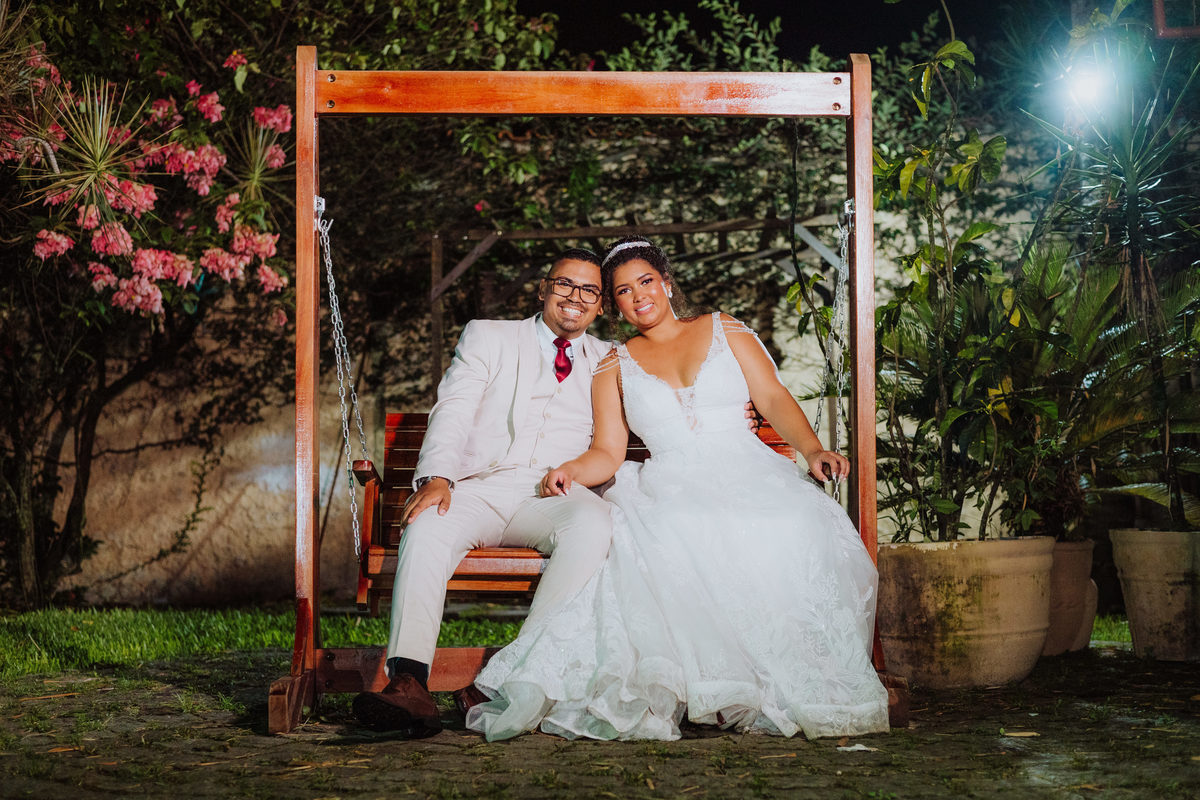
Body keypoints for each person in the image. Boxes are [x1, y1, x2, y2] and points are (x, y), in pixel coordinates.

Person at [465, 236, 890, 741]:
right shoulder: (612, 365)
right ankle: (706, 683)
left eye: (645, 281)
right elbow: (608, 451)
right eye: (622, 291)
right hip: (669, 481)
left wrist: (813, 449)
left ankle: (772, 678)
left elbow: (772, 396)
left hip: (747, 470)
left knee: (787, 521)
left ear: (666, 284)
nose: (637, 295)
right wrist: (573, 470)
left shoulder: (723, 329)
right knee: (674, 527)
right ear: (613, 305)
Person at [352, 248, 616, 736]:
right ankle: (408, 683)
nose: (574, 297)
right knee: (427, 523)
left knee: (594, 523)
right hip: (480, 486)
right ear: (542, 288)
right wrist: (436, 477)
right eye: (564, 284)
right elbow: (453, 408)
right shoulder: (489, 335)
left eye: (589, 291)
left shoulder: (608, 360)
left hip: (554, 493)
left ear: (600, 306)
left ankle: (520, 678)